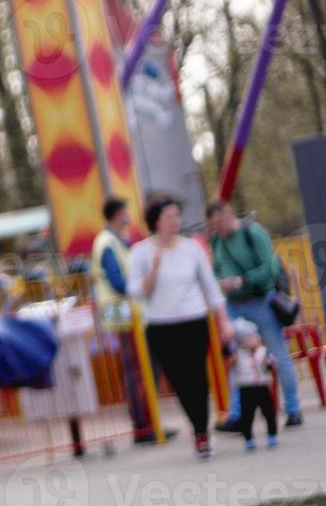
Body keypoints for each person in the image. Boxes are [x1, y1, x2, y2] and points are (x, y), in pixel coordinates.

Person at [128, 196, 231, 459]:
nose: (175, 221)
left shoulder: (191, 248)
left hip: (194, 321)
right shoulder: (141, 252)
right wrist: (153, 270)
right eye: (169, 217)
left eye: (177, 216)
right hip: (162, 326)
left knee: (198, 378)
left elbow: (210, 286)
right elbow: (136, 291)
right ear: (156, 222)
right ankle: (198, 425)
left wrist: (223, 321)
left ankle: (201, 432)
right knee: (179, 381)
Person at [206, 200, 302, 430]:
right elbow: (216, 269)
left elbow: (270, 267)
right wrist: (222, 283)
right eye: (213, 224)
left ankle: (293, 409)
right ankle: (237, 415)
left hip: (261, 300)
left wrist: (243, 280)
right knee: (236, 359)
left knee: (278, 353)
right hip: (233, 304)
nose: (217, 227)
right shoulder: (217, 240)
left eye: (219, 222)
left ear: (229, 214)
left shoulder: (253, 233)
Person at [93, 196, 168, 444]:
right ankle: (143, 424)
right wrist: (141, 287)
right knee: (137, 368)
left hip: (130, 312)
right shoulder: (107, 243)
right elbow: (118, 281)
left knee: (140, 366)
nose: (130, 215)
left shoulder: (116, 242)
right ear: (118, 214)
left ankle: (149, 420)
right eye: (126, 211)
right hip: (124, 313)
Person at [228, 318, 279, 450]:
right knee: (247, 415)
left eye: (256, 335)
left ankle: (272, 434)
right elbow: (230, 363)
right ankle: (248, 438)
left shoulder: (263, 351)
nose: (255, 338)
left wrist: (269, 364)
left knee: (268, 412)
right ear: (242, 341)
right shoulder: (237, 354)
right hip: (246, 387)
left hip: (262, 385)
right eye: (251, 337)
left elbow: (271, 365)